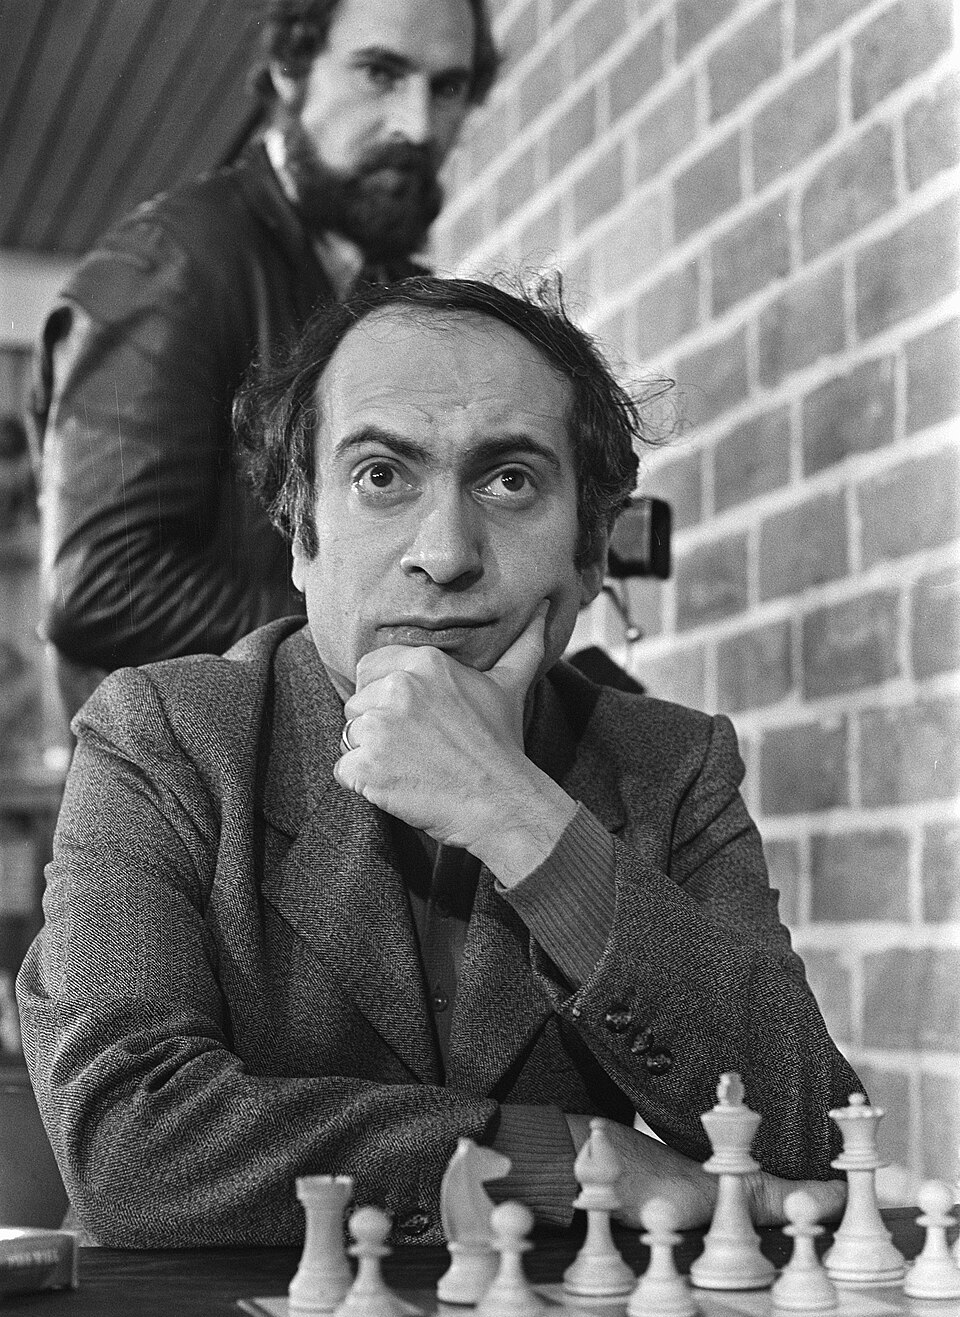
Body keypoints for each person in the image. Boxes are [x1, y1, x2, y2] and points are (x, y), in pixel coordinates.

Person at [17, 276, 861, 1249]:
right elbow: (128, 1146)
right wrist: (549, 1160)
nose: (447, 552)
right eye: (382, 475)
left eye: (510, 481)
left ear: (589, 555)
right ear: (301, 537)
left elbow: (812, 1147)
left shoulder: (671, 764)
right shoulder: (161, 736)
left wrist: (518, 814)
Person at [30, 0, 498, 718]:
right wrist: (388, 626)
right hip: (182, 776)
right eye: (381, 72)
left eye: (448, 87)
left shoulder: (392, 291)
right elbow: (101, 587)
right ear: (290, 67)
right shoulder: (172, 262)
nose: (417, 125)